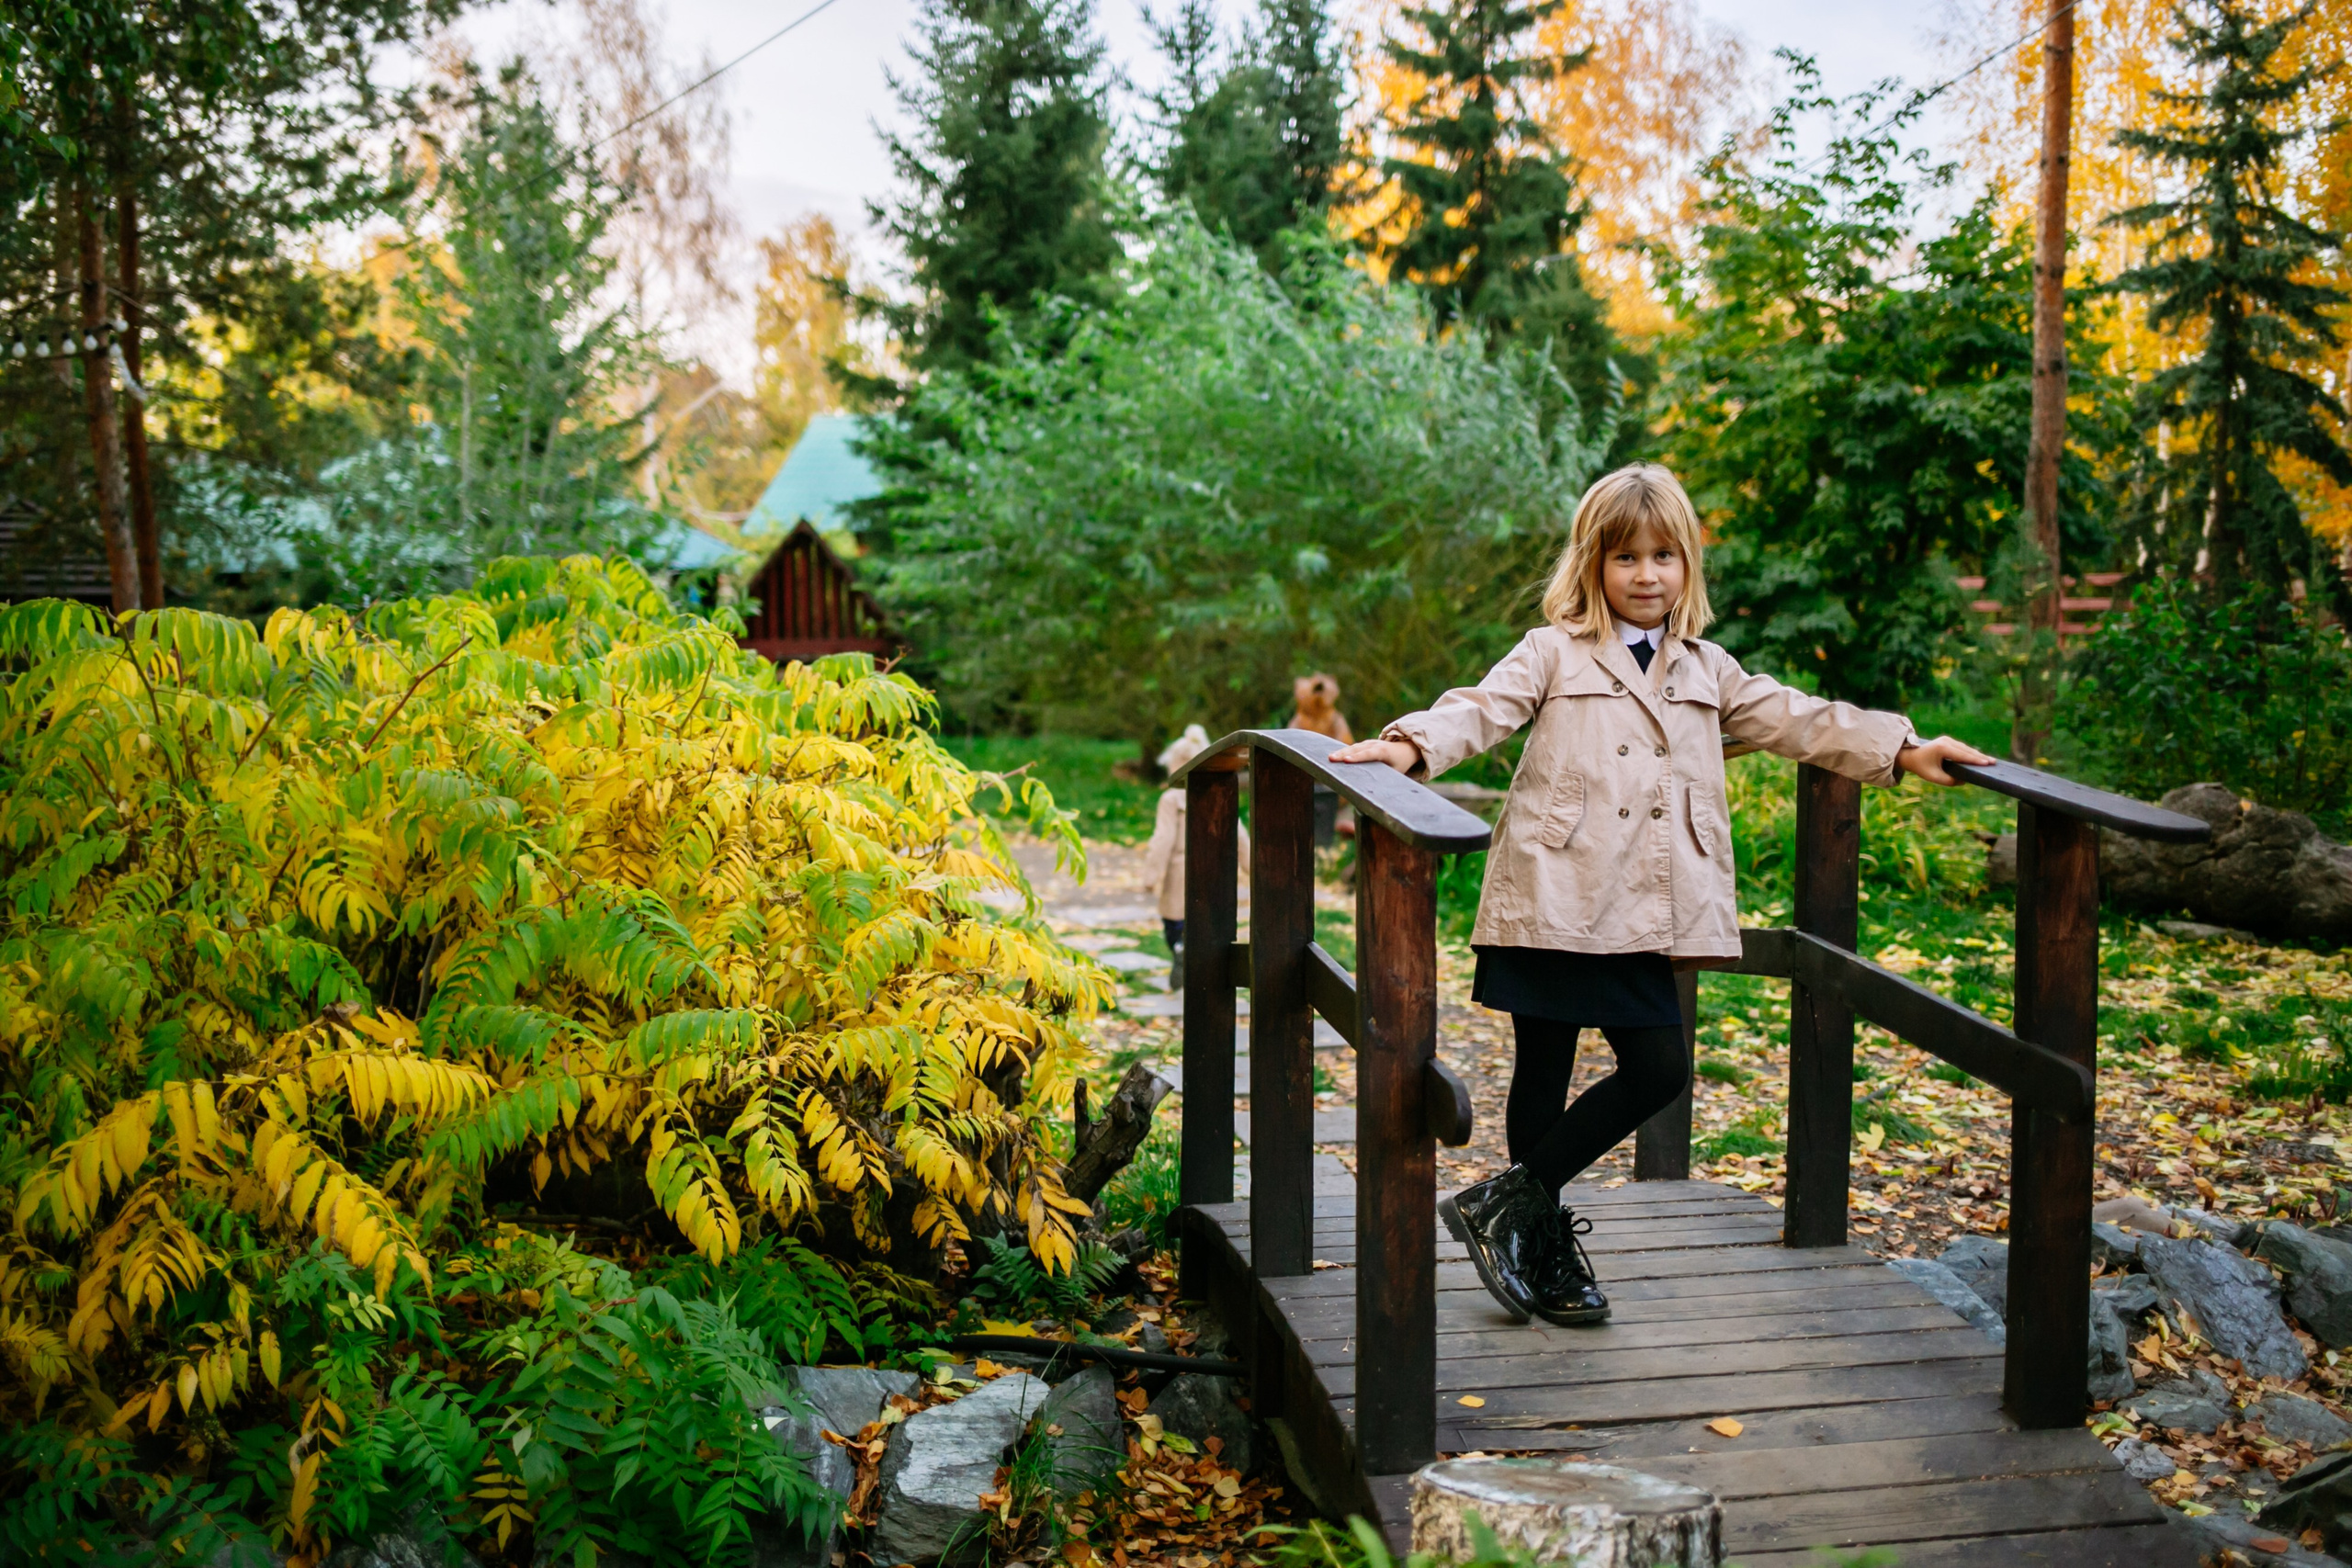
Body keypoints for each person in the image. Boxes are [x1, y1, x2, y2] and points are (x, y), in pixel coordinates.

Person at [1329, 464, 1990, 1328]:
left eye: (1665, 556)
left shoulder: (1707, 670)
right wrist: (1409, 746)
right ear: (1592, 565)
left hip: (1639, 907)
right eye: (1626, 557)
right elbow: (1481, 709)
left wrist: (1903, 749)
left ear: (1688, 566)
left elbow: (1801, 718)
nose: (1647, 574)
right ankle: (1544, 1244)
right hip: (1553, 889)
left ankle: (1506, 1203)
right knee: (1544, 1068)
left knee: (1660, 1067)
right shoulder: (1554, 651)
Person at [1142, 726, 1251, 989]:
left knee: (1175, 923)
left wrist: (1151, 875)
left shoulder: (1170, 800)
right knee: (1206, 924)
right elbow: (1239, 835)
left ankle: (1179, 947)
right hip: (1214, 872)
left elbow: (1163, 840)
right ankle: (1201, 967)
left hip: (1180, 873)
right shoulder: (1218, 792)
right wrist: (1251, 868)